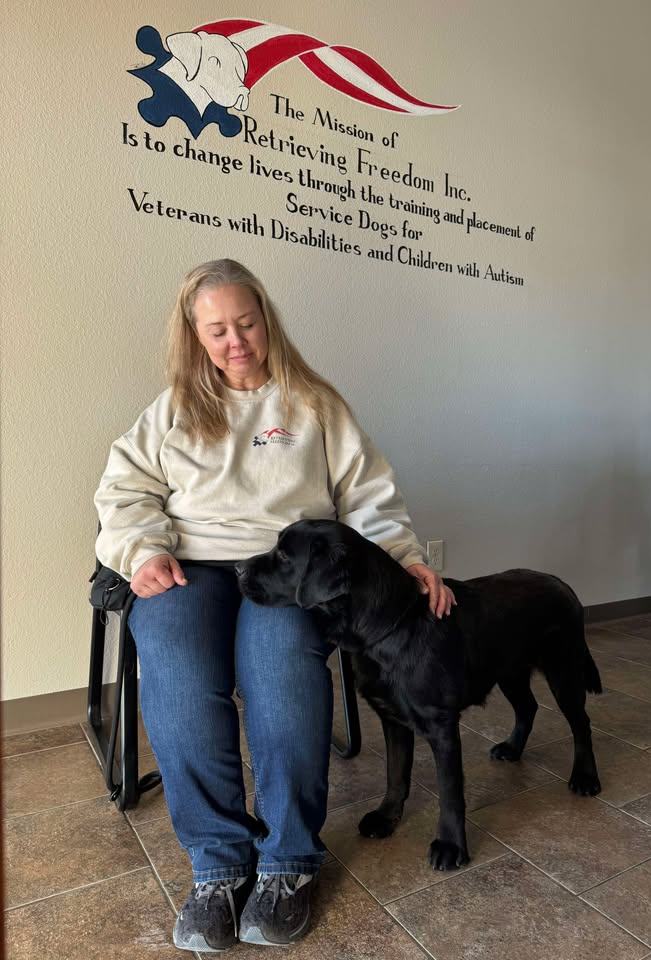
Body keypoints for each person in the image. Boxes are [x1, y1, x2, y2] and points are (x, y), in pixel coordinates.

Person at [94, 259, 455, 951]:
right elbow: (124, 490)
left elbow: (368, 496)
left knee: (283, 663)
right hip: (189, 565)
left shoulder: (314, 404)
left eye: (247, 323)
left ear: (267, 320)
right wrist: (143, 551)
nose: (236, 341)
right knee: (173, 666)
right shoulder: (171, 409)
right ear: (195, 336)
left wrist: (407, 557)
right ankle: (218, 866)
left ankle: (289, 861)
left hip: (290, 571)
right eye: (217, 330)